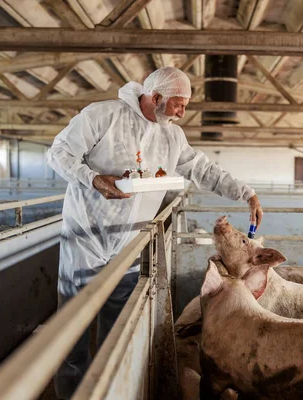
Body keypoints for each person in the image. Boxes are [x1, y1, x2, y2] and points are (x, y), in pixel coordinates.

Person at [46, 66, 263, 399]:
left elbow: (203, 170)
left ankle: (108, 391)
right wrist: (93, 179)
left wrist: (245, 192)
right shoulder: (104, 116)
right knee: (73, 321)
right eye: (179, 104)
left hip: (132, 242)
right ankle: (69, 393)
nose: (182, 112)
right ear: (156, 97)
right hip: (87, 234)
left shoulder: (172, 136)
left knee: (118, 325)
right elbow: (58, 153)